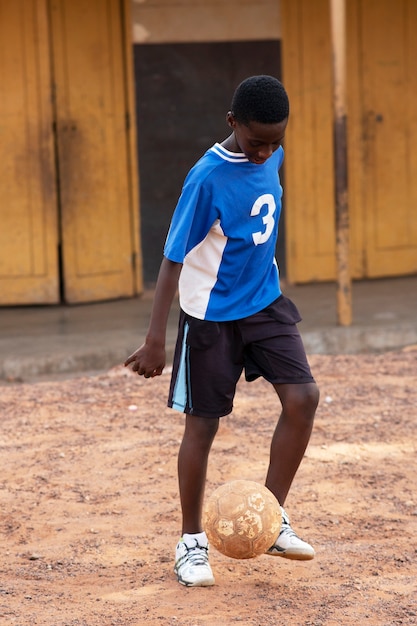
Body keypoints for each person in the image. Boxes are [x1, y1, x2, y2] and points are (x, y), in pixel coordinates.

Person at [125, 75, 320, 587]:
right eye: (257, 141)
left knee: (303, 398)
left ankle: (270, 517)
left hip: (264, 302)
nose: (266, 152)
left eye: (276, 141)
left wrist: (271, 149)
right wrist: (155, 338)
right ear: (232, 123)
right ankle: (191, 543)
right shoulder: (205, 177)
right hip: (210, 316)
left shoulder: (271, 153)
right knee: (203, 426)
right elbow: (171, 261)